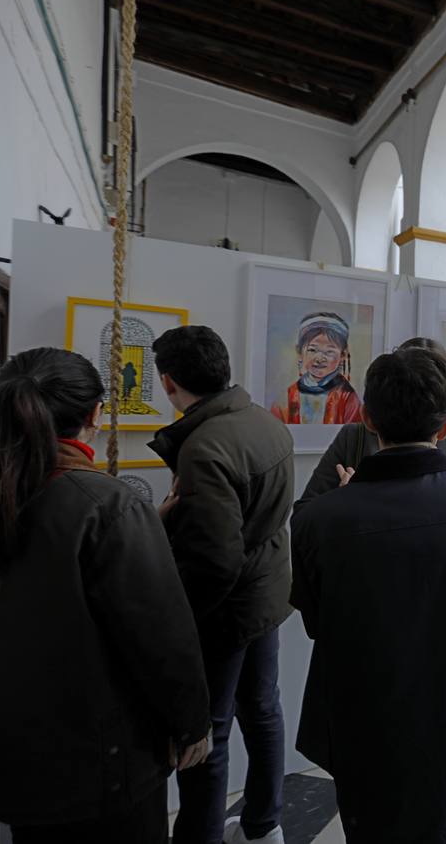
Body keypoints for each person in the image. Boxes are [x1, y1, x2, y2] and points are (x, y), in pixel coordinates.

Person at [0, 348, 210, 843]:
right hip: (102, 757)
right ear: (93, 415)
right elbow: (161, 637)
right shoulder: (106, 506)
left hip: (13, 746)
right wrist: (192, 723)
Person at [291, 348, 446, 842]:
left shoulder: (320, 519)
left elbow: (317, 619)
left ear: (369, 419)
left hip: (369, 718)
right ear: (445, 428)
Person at [150, 326, 295, 844]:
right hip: (266, 593)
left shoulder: (205, 446)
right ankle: (263, 827)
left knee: (207, 731)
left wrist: (180, 619)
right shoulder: (265, 422)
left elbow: (215, 559)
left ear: (168, 382)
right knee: (263, 710)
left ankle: (202, 836)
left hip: (225, 609)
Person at [297, 337, 446, 507]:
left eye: (428, 385)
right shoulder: (353, 438)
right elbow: (307, 514)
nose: (415, 393)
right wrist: (344, 500)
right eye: (409, 380)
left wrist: (351, 501)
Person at [271, 311, 362, 425]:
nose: (319, 358)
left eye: (329, 351)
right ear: (299, 352)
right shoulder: (286, 399)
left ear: (342, 355)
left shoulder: (348, 398)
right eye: (312, 350)